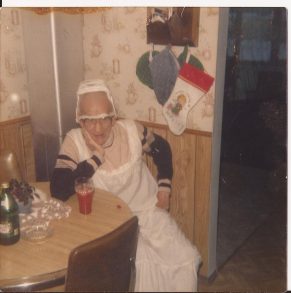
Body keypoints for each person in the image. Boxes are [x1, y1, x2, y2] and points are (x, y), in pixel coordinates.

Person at [50, 79, 201, 292]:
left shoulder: (131, 131)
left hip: (149, 211)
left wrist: (164, 187)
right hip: (110, 226)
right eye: (89, 120)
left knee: (186, 258)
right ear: (80, 122)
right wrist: (95, 159)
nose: (98, 127)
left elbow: (163, 149)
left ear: (114, 117)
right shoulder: (74, 141)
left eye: (104, 118)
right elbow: (58, 188)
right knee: (137, 269)